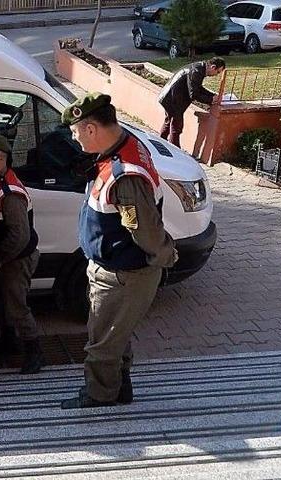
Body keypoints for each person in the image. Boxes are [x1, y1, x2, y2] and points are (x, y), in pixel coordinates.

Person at [60, 93, 178, 409]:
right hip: (118, 269)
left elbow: (147, 231)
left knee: (102, 342)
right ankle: (119, 388)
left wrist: (165, 257)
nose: (74, 139)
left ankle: (100, 396)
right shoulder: (124, 144)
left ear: (91, 129)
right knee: (115, 336)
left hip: (122, 275)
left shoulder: (124, 173)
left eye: (75, 132)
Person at [0, 133, 44, 375]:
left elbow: (20, 236)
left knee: (16, 305)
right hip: (6, 257)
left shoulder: (9, 194)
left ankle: (34, 352)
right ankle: (8, 340)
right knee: (1, 301)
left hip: (16, 259)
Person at [157, 57, 225, 147]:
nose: (216, 75)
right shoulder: (196, 71)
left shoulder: (199, 68)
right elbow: (194, 94)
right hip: (171, 99)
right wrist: (210, 99)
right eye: (218, 72)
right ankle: (175, 150)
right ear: (213, 67)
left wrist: (212, 95)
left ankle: (161, 143)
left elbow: (197, 87)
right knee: (176, 126)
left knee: (170, 122)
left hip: (170, 97)